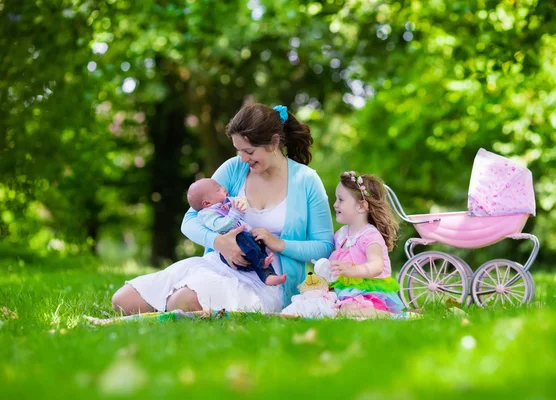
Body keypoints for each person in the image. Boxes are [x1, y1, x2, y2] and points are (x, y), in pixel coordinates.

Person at [111, 104, 334, 315]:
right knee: (123, 301)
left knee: (184, 300)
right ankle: (182, 303)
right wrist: (220, 243)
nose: (243, 159)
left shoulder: (306, 181)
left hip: (267, 281)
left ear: (274, 143)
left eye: (249, 151)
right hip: (218, 264)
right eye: (238, 151)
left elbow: (324, 246)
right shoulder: (234, 168)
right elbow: (190, 221)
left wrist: (279, 244)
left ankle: (182, 305)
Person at [327, 171, 405, 316]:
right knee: (326, 303)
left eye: (341, 200)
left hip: (369, 292)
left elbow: (377, 266)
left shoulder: (370, 236)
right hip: (346, 290)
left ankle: (396, 317)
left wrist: (351, 271)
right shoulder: (341, 235)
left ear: (362, 206)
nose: (335, 204)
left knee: (347, 310)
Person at [186, 178, 286, 286]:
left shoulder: (225, 203)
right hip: (236, 243)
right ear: (207, 203)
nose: (223, 189)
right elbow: (221, 226)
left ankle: (262, 267)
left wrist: (235, 203)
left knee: (256, 246)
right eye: (218, 190)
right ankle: (266, 274)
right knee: (245, 242)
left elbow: (240, 202)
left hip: (248, 242)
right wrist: (234, 212)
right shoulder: (206, 214)